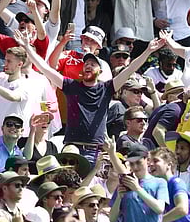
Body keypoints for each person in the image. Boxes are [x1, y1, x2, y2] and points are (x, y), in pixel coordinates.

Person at [15, 30, 165, 163]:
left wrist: (148, 51)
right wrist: (27, 47)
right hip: (72, 148)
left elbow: (131, 67)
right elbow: (45, 68)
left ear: (100, 70)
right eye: (86, 63)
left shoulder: (106, 88)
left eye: (93, 64)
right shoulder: (71, 86)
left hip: (95, 150)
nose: (88, 65)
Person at [106, 142, 169, 222]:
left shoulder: (159, 182)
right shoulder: (125, 183)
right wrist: (119, 198)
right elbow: (112, 218)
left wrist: (137, 188)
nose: (135, 167)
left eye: (138, 162)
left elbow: (159, 208)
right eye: (131, 164)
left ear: (147, 160)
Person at [148, 147, 190, 222]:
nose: (151, 164)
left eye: (156, 161)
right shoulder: (155, 188)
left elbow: (182, 209)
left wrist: (157, 221)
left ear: (169, 165)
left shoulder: (176, 183)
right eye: (150, 162)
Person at [145, 79, 186, 147]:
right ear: (170, 97)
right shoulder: (175, 109)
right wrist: (169, 153)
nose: (184, 96)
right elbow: (158, 132)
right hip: (153, 152)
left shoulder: (162, 108)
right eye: (181, 95)